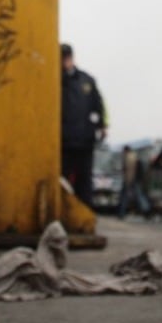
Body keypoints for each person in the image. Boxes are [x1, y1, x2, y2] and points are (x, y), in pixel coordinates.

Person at [59, 43, 107, 207]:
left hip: (85, 141)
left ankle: (85, 214)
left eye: (66, 57)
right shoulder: (54, 81)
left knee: (84, 181)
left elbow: (99, 105)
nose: (64, 62)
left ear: (71, 58)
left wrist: (103, 126)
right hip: (63, 142)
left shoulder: (87, 80)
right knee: (62, 181)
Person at [116, 144, 151, 220]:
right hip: (136, 179)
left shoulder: (127, 157)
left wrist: (127, 180)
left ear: (125, 150)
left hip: (130, 179)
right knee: (139, 196)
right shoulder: (135, 156)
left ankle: (121, 213)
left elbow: (128, 170)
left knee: (124, 196)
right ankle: (147, 210)